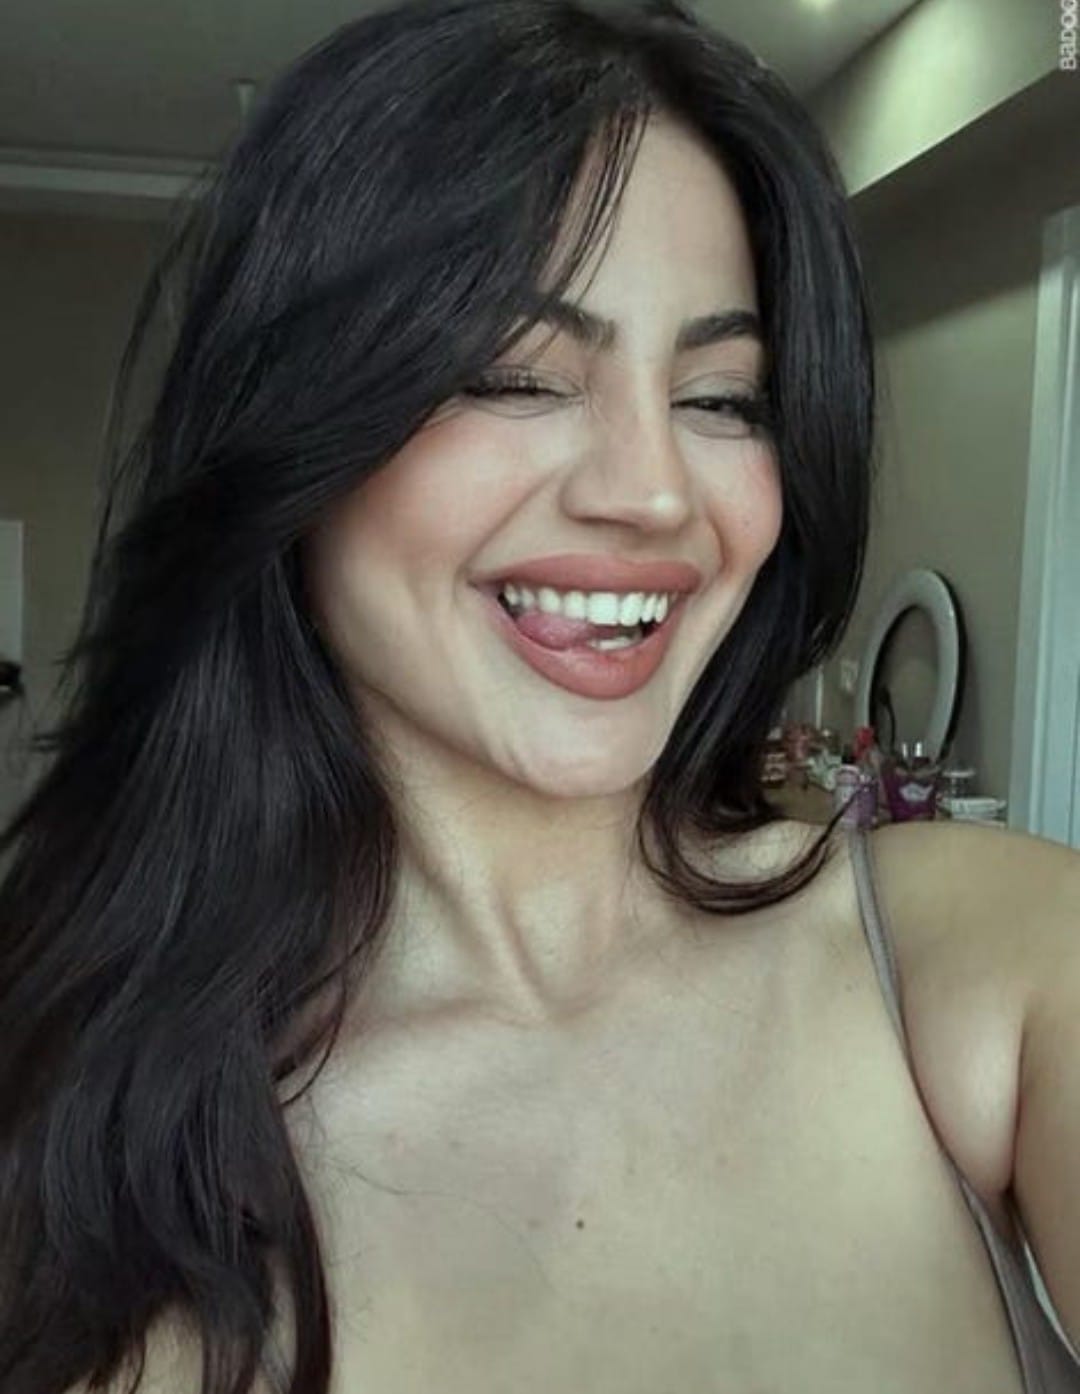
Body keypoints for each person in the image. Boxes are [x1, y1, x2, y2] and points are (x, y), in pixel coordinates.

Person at [1, 1, 1078, 1391]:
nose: (651, 492)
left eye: (723, 398)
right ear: (294, 428)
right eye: (512, 374)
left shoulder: (985, 962)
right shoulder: (77, 1135)